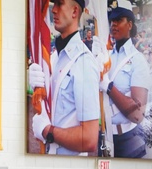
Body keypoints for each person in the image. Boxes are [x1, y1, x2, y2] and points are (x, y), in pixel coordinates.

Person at [28, 0, 100, 156]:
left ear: (74, 12)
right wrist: (38, 88)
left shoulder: (84, 63)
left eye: (60, 4)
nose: (54, 10)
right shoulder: (53, 58)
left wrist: (48, 131)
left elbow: (89, 139)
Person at [102, 0, 150, 158]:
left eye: (119, 20)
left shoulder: (138, 61)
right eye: (112, 21)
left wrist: (108, 86)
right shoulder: (106, 56)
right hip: (103, 136)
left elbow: (137, 115)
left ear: (129, 24)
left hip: (126, 139)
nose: (113, 24)